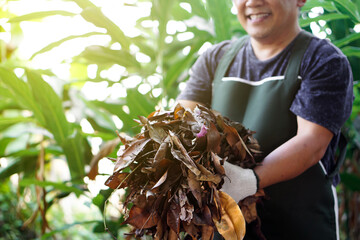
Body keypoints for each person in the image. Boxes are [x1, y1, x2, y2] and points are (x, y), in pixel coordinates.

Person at [176, 0, 354, 239]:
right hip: (221, 228)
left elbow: (311, 143)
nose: (253, 2)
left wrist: (246, 181)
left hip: (298, 227)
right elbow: (181, 125)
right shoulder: (214, 60)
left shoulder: (323, 60)